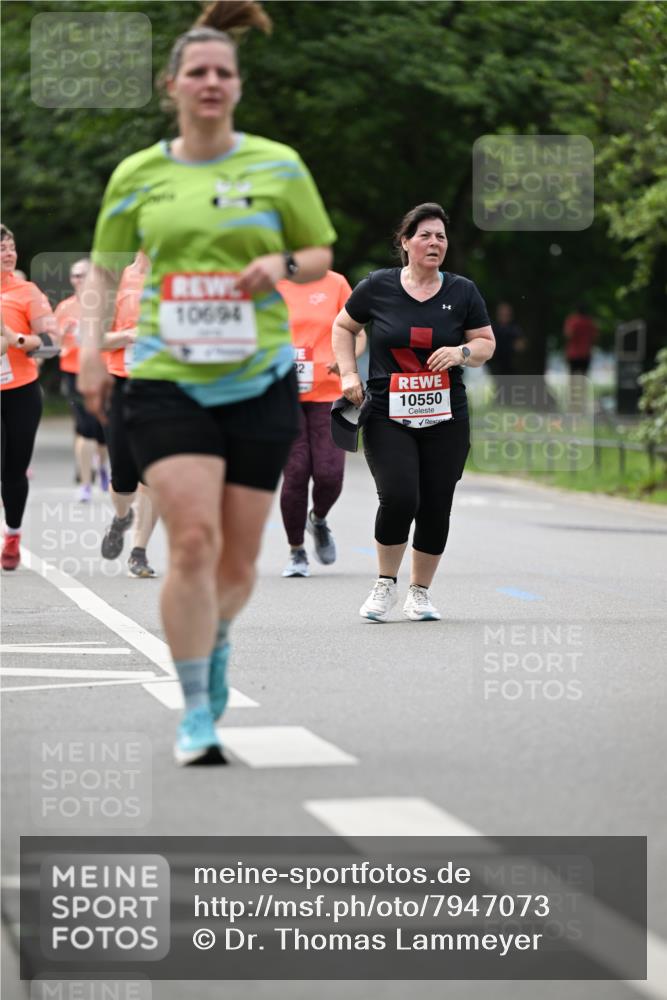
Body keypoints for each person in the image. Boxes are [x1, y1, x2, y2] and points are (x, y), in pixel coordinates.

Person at [78, 0, 335, 765]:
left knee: (236, 560)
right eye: (198, 71)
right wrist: (89, 353)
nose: (212, 81)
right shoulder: (139, 173)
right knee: (191, 540)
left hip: (258, 379)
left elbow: (319, 256)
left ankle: (214, 635)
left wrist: (280, 263)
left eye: (224, 71)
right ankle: (196, 708)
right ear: (173, 86)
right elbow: (101, 271)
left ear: (238, 85)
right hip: (166, 378)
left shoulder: (277, 165)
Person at [332, 203, 495, 622]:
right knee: (400, 496)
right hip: (388, 413)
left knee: (436, 503)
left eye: (441, 236)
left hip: (446, 415)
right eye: (425, 235)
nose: (435, 243)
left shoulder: (462, 291)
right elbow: (344, 326)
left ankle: (419, 592)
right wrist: (348, 373)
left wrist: (461, 352)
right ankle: (385, 583)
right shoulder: (378, 286)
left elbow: (485, 343)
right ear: (405, 243)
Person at [277, 270, 365, 578]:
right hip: (284, 396)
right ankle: (296, 551)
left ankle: (318, 519)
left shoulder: (335, 283)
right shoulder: (272, 285)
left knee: (329, 474)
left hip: (328, 393)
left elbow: (359, 334)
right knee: (296, 472)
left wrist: (346, 360)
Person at [1, 223, 56, 570]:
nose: (9, 254)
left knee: (14, 470)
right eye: (1, 249)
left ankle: (13, 535)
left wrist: (17, 340)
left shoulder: (27, 292)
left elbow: (51, 344)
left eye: (11, 247)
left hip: (21, 390)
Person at [100, 251, 159, 578]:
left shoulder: (178, 279)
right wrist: (128, 336)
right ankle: (122, 517)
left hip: (161, 386)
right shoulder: (115, 281)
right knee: (123, 476)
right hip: (120, 383)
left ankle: (139, 552)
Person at [56, 258, 110, 502]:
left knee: (102, 430)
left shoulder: (106, 304)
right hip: (74, 372)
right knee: (85, 427)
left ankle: (103, 467)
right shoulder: (64, 308)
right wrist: (63, 335)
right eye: (75, 275)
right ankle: (85, 483)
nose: (79, 280)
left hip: (102, 371)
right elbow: (53, 344)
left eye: (84, 275)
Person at [563, 303, 598, 377]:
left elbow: (569, 335)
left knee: (572, 376)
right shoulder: (589, 321)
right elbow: (595, 337)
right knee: (583, 376)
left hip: (573, 353)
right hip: (585, 353)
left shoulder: (572, 320)